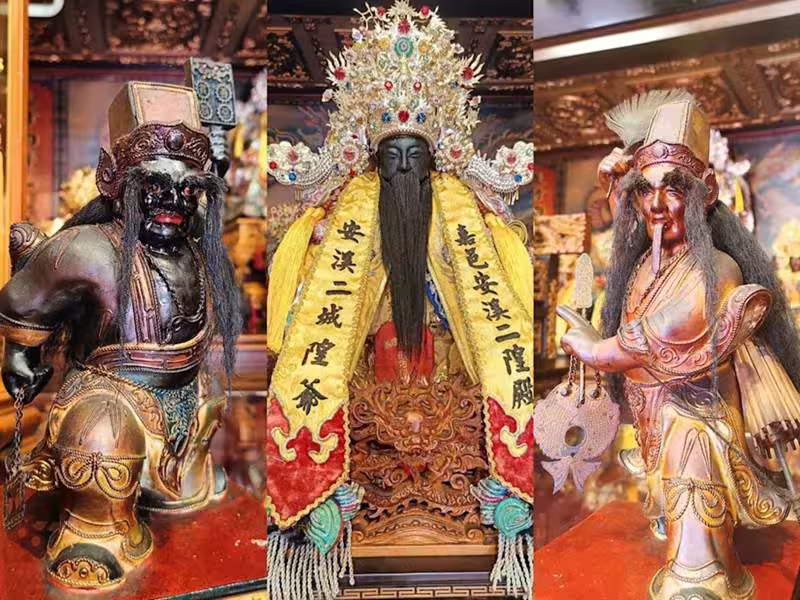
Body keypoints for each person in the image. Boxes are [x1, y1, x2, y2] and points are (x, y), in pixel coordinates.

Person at [265, 2, 533, 598]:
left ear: (434, 156)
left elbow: (488, 305)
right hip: (371, 376)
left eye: (416, 154)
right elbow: (323, 313)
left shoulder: (459, 210)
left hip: (448, 372)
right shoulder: (352, 209)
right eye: (393, 155)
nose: (405, 166)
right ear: (375, 158)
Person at [558, 91, 800, 599]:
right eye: (644, 191)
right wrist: (615, 187)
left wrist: (595, 350)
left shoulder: (717, 270)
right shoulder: (647, 266)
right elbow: (632, 227)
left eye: (674, 189)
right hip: (652, 415)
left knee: (689, 442)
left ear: (706, 193)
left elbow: (658, 334)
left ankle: (701, 572)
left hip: (697, 419)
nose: (656, 205)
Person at [0, 81, 241, 589]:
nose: (173, 200)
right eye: (155, 185)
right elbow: (26, 297)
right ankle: (92, 530)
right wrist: (20, 355)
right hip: (112, 395)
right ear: (115, 182)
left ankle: (174, 479)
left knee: (210, 404)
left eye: (188, 189)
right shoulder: (89, 249)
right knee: (101, 434)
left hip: (184, 394)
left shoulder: (198, 249)